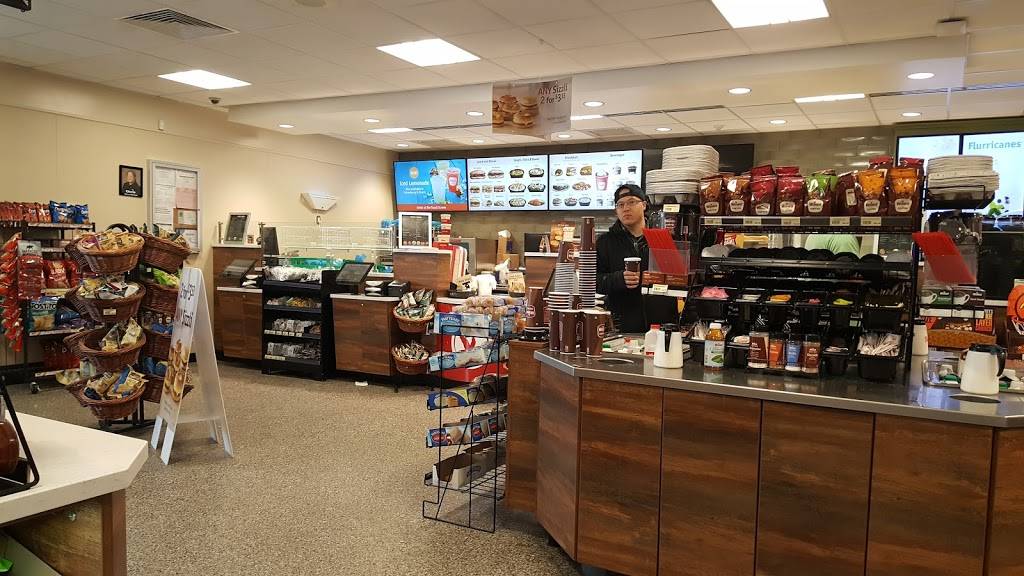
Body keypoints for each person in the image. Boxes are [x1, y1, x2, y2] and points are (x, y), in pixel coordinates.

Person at [597, 184, 649, 333]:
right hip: (621, 324)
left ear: (644, 205)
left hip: (658, 321)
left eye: (631, 202)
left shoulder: (661, 238)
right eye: (620, 204)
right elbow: (592, 281)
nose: (625, 208)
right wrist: (618, 278)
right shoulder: (605, 242)